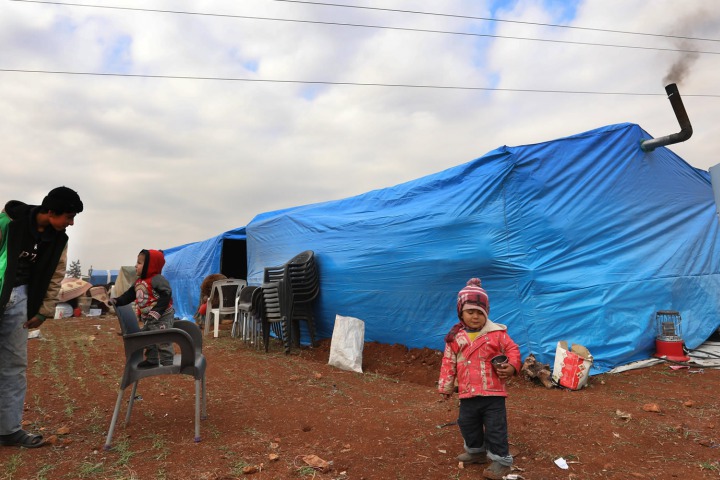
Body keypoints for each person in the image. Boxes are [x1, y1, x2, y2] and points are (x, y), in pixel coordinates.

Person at [0, 186, 83, 448]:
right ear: (50, 211)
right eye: (68, 217)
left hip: (20, 301)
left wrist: (43, 311)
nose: (70, 223)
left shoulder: (59, 240)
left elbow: (56, 275)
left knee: (14, 366)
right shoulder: (8, 223)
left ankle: (9, 430)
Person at [438, 278, 521, 480]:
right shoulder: (455, 338)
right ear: (461, 313)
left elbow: (513, 349)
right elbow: (448, 362)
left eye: (480, 312)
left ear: (486, 313)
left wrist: (511, 366)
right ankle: (476, 452)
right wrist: (446, 387)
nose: (475, 317)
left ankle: (501, 460)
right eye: (470, 312)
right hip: (468, 393)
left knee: (495, 428)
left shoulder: (497, 334)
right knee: (467, 423)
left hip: (493, 394)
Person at [111, 249, 175, 368]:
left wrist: (157, 311)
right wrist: (118, 300)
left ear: (151, 265)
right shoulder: (138, 282)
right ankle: (152, 360)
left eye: (139, 263)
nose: (136, 265)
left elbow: (166, 294)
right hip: (149, 317)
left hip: (163, 316)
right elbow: (130, 295)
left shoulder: (157, 279)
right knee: (148, 338)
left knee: (162, 338)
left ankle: (167, 361)